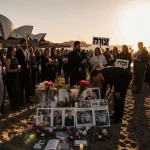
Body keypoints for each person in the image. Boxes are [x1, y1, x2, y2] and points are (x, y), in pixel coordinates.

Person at [16, 40, 32, 105]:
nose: (26, 44)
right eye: (24, 43)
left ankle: (28, 100)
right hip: (22, 72)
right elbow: (17, 61)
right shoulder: (18, 51)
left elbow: (28, 61)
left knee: (28, 86)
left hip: (28, 71)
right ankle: (21, 102)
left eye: (26, 43)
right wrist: (24, 60)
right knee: (22, 87)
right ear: (21, 44)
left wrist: (29, 60)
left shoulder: (27, 51)